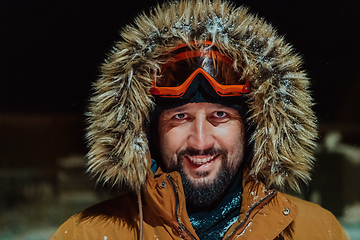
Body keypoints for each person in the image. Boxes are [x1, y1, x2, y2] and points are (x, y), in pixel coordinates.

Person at [51, 0, 350, 239]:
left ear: (253, 129)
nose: (201, 141)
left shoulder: (318, 231)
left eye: (220, 115)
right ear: (149, 131)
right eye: (180, 117)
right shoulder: (84, 235)